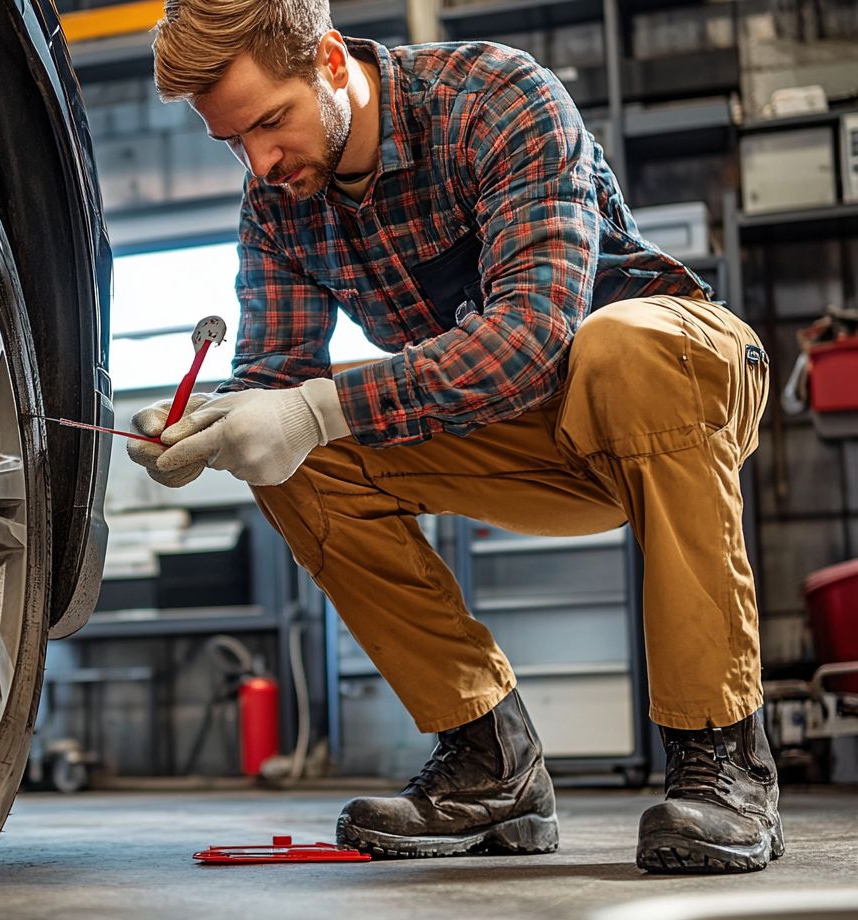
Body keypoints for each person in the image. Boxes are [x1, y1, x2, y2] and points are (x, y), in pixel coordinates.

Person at [129, 0, 781, 873]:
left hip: (674, 387)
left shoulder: (492, 96)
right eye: (232, 142)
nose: (260, 160)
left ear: (328, 61)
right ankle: (489, 760)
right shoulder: (278, 205)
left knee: (621, 348)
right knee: (292, 459)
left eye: (269, 122)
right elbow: (273, 387)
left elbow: (530, 335)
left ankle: (724, 762)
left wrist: (317, 407)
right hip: (523, 440)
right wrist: (207, 427)